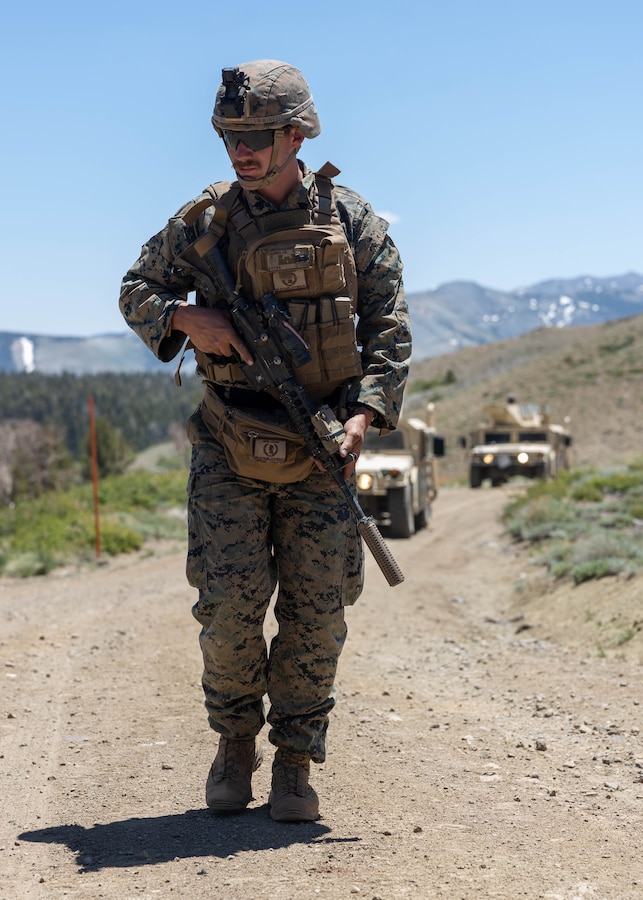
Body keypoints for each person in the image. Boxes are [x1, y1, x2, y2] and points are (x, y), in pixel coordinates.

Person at [119, 59, 411, 822]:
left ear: (295, 134)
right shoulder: (202, 222)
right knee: (228, 608)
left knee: (318, 611)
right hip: (228, 440)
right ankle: (234, 744)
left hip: (320, 448)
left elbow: (388, 331)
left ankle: (294, 762)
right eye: (229, 137)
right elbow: (136, 289)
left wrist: (361, 418)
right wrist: (189, 320)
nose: (240, 152)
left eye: (254, 137)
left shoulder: (351, 223)